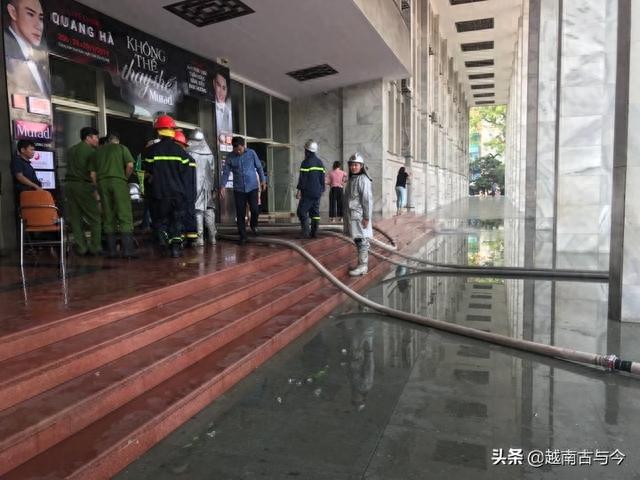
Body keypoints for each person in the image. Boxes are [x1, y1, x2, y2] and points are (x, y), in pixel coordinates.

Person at [143, 115, 192, 258]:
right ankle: (175, 248)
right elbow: (186, 175)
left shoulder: (152, 151)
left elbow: (147, 172)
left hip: (159, 194)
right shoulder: (181, 152)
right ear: (172, 131)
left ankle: (163, 241)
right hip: (178, 194)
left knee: (160, 221)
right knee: (176, 221)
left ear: (158, 132)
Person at [95, 132, 137, 259]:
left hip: (102, 183)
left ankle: (112, 252)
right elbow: (130, 166)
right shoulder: (122, 148)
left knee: (108, 216)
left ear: (107, 141)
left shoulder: (98, 152)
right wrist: (124, 177)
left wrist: (98, 185)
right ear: (117, 140)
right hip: (119, 182)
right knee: (124, 214)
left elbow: (92, 174)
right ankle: (128, 251)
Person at [220, 137, 266, 244]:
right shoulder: (230, 157)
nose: (238, 152)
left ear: (243, 146)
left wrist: (263, 181)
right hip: (239, 189)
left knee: (255, 209)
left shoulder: (251, 153)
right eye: (236, 150)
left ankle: (254, 225)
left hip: (252, 187)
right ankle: (243, 235)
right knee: (240, 213)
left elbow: (259, 167)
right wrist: (222, 186)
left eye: (240, 149)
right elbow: (226, 172)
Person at [65, 126, 102, 256]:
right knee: (95, 218)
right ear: (88, 138)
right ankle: (95, 247)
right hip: (83, 185)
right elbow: (92, 173)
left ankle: (81, 248)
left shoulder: (71, 150)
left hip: (69, 185)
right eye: (95, 137)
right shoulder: (91, 152)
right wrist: (96, 189)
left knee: (75, 219)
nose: (97, 140)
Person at [4, 0, 50, 97]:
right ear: (13, 12)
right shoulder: (6, 49)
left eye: (41, 18)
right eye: (30, 14)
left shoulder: (41, 59)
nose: (38, 26)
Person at [343, 153, 373, 276]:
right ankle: (361, 264)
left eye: (356, 165)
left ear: (361, 166)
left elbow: (367, 199)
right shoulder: (352, 179)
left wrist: (366, 217)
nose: (353, 167)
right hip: (352, 215)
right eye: (352, 165)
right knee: (358, 239)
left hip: (359, 216)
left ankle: (363, 266)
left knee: (362, 240)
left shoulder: (363, 180)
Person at [187, 130, 217, 246]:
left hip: (195, 185)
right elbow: (212, 171)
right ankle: (212, 237)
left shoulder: (190, 152)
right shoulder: (209, 153)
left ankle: (199, 239)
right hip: (208, 186)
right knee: (209, 209)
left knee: (197, 210)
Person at [295, 139, 325, 238]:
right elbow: (322, 178)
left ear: (307, 151)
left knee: (301, 211)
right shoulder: (320, 162)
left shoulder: (306, 162)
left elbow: (303, 179)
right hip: (317, 192)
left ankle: (305, 232)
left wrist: (299, 191)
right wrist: (322, 190)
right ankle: (314, 233)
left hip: (308, 192)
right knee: (315, 212)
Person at [173, 130, 198, 245]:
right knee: (190, 213)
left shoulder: (177, 159)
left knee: (180, 215)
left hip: (180, 192)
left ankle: (181, 237)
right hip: (190, 192)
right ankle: (191, 237)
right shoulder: (190, 159)